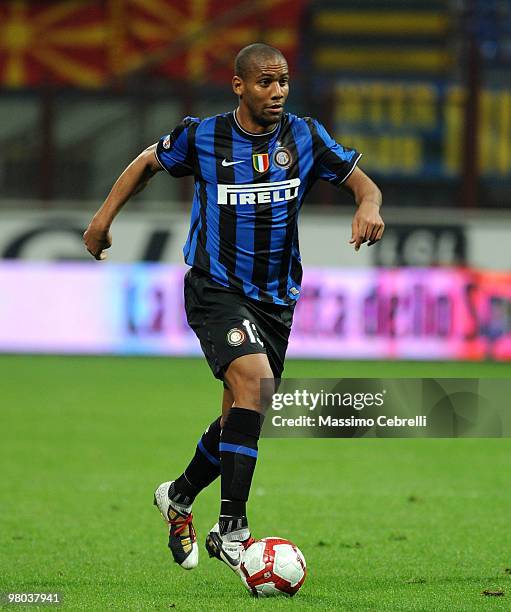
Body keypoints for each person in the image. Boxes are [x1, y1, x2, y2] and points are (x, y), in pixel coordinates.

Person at [83, 42, 384, 575]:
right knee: (254, 384)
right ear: (239, 86)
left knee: (241, 417)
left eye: (284, 81)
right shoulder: (205, 136)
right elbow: (147, 162)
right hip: (215, 288)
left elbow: (364, 184)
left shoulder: (306, 136)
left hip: (276, 299)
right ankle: (233, 528)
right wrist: (103, 220)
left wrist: (368, 207)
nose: (278, 92)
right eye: (266, 82)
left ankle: (177, 497)